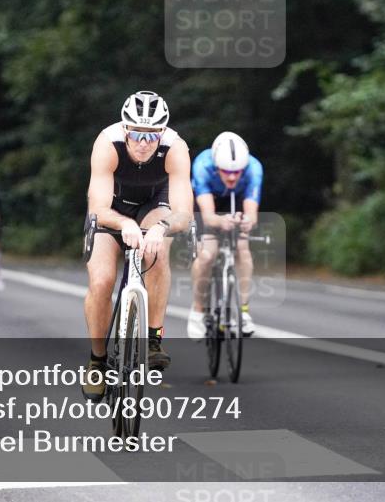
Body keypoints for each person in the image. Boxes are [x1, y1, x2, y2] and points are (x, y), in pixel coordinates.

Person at [82, 90, 193, 401]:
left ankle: (154, 339)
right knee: (102, 280)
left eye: (151, 135)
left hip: (154, 204)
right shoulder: (108, 143)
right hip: (112, 207)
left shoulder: (175, 147)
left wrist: (161, 228)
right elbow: (99, 209)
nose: (143, 143)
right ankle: (97, 359)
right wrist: (125, 224)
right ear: (125, 129)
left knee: (156, 250)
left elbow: (183, 212)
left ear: (162, 132)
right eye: (136, 134)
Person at [186, 132, 263, 339]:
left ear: (244, 168)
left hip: (236, 200)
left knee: (242, 247)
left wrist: (247, 222)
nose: (231, 176)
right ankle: (198, 310)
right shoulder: (203, 165)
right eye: (226, 171)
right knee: (207, 255)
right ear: (216, 166)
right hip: (208, 202)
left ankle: (244, 312)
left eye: (237, 172)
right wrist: (221, 222)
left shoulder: (254, 169)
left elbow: (252, 214)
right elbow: (209, 217)